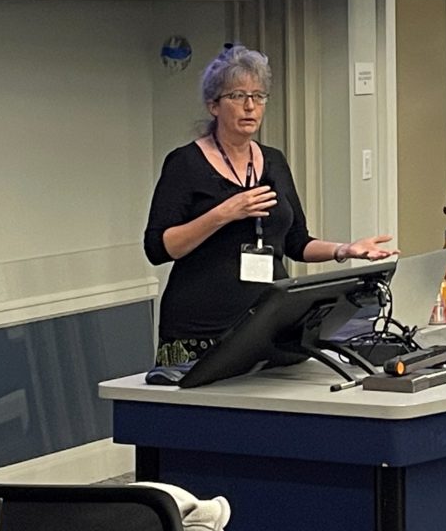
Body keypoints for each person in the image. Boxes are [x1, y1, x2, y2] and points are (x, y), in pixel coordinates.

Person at [144, 44, 397, 366]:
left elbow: (296, 242)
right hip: (201, 328)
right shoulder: (185, 163)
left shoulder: (273, 161)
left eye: (258, 96)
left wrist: (345, 250)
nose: (250, 106)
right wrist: (224, 213)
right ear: (213, 105)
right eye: (237, 96)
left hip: (269, 325)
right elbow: (158, 247)